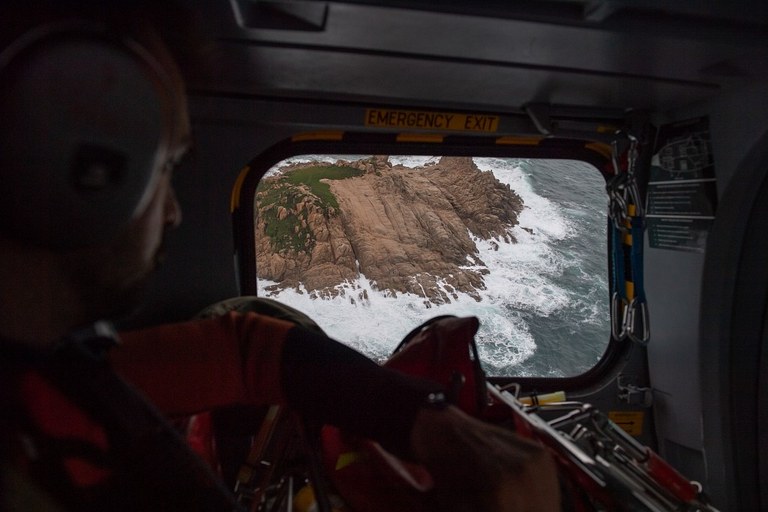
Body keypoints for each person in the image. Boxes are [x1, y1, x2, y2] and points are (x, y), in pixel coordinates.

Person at [0, 2, 560, 511]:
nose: (172, 212)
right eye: (164, 166)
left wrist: (423, 420)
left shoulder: (59, 371)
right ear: (68, 168)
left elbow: (246, 351)